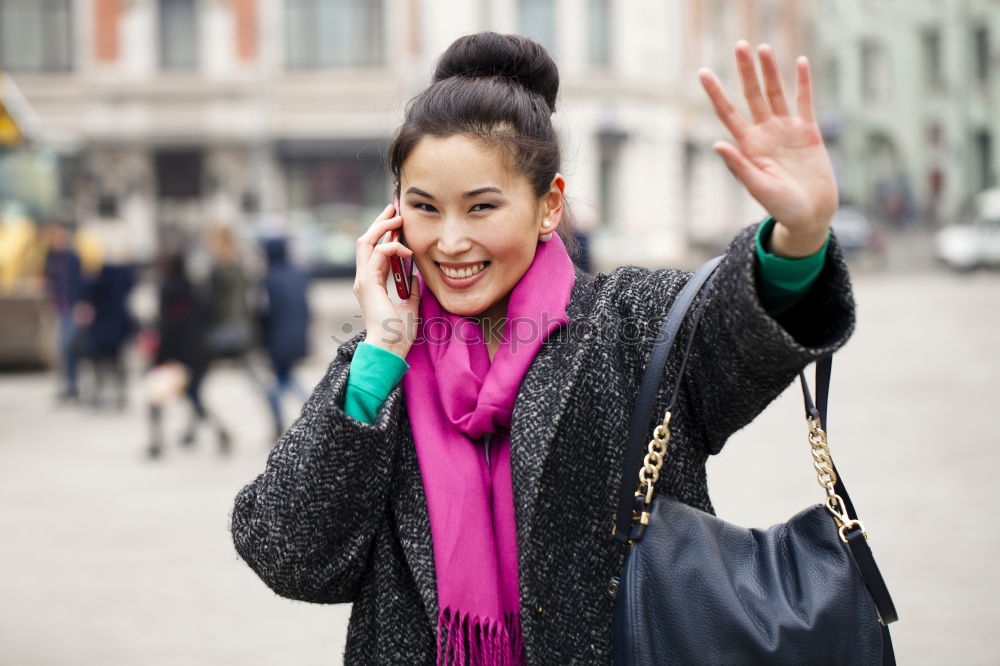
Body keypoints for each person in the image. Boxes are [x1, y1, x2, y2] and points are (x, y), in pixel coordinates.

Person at [231, 33, 850, 665]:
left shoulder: (629, 323)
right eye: (425, 208)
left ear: (548, 205)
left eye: (481, 208)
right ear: (393, 218)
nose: (449, 241)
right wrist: (383, 351)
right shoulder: (378, 362)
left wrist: (799, 237)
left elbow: (737, 336)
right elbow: (289, 555)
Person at [146, 247, 232, 459]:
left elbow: (167, 325)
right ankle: (220, 431)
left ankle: (156, 442)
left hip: (174, 354)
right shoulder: (196, 289)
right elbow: (208, 316)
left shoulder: (167, 289)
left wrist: (159, 356)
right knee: (194, 397)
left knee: (156, 399)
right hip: (197, 354)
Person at [257, 236, 311, 441]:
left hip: (278, 338)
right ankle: (309, 414)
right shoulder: (298, 274)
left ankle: (307, 415)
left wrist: (263, 341)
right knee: (285, 379)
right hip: (297, 335)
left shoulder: (269, 279)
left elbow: (266, 312)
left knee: (280, 383)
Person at [43, 221, 85, 403]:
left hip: (71, 308)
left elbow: (79, 284)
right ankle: (66, 385)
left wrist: (80, 305)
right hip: (57, 308)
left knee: (70, 348)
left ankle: (73, 386)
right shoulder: (50, 257)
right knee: (60, 351)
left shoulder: (73, 258)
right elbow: (48, 282)